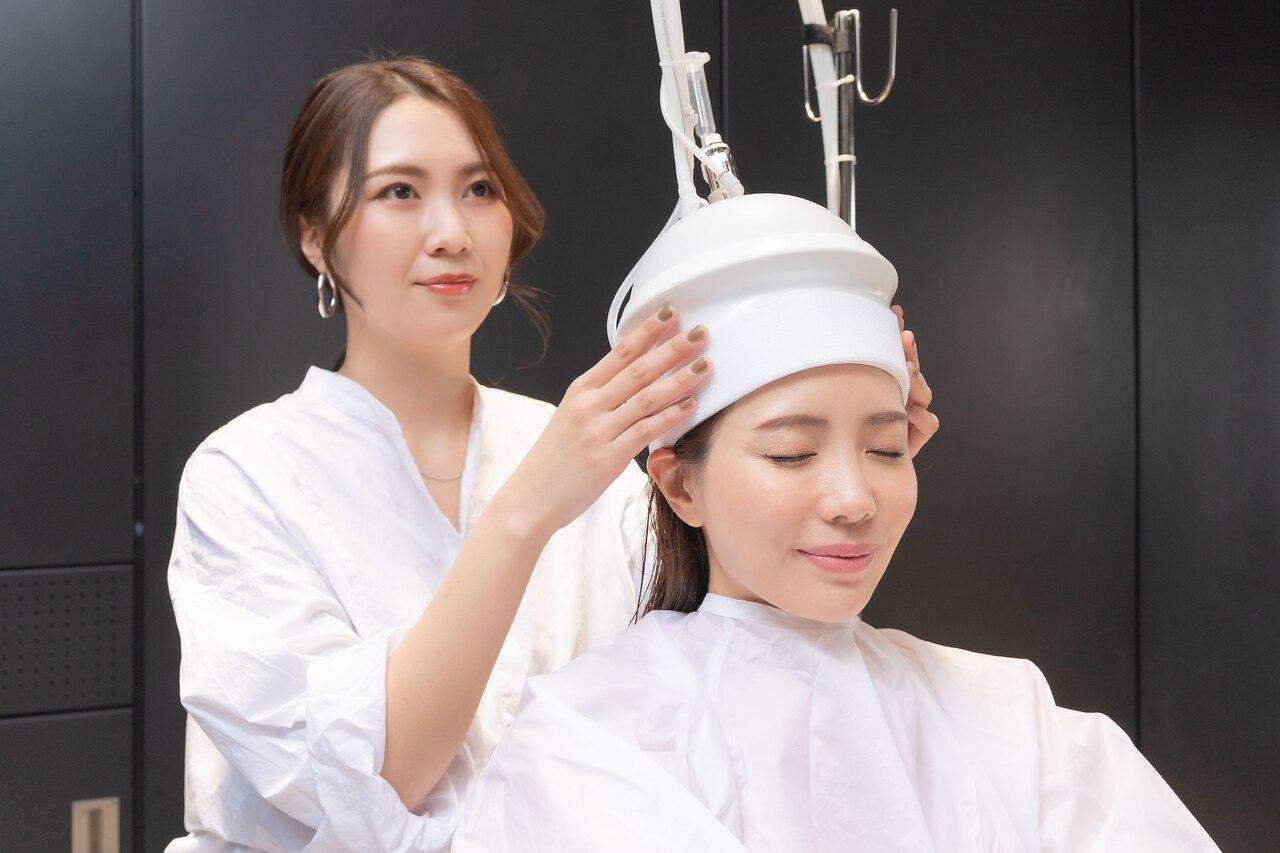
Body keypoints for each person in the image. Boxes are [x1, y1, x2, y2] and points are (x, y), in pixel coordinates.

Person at [166, 58, 940, 851]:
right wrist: (525, 512)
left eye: (479, 189)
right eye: (399, 191)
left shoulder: (590, 462)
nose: (452, 232)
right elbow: (377, 777)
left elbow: (728, 672)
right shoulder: (247, 478)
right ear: (314, 235)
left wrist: (851, 456)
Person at [452, 194, 1218, 852]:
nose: (855, 498)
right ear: (681, 484)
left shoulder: (1013, 718)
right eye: (792, 452)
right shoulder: (588, 740)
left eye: (886, 447)